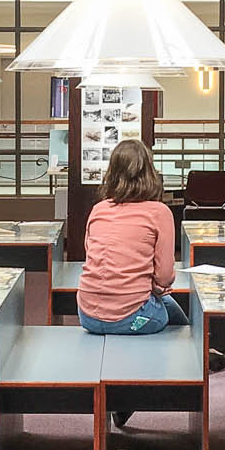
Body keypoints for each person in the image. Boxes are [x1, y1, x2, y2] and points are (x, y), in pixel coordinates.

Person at [77, 139, 186, 338]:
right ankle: (202, 352)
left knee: (164, 304)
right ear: (150, 172)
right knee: (173, 314)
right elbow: (165, 277)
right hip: (132, 318)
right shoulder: (159, 212)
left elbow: (93, 256)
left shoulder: (98, 210)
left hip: (87, 316)